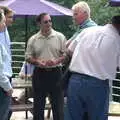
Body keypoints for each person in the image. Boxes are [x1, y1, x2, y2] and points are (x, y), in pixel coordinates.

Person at [64, 15, 120, 120]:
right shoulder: (117, 40)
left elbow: (70, 50)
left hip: (75, 81)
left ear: (110, 22)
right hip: (97, 84)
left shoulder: (88, 31)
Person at [25, 13, 66, 120]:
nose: (49, 23)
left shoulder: (60, 37)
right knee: (38, 107)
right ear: (39, 23)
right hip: (39, 74)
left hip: (56, 73)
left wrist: (57, 61)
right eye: (46, 22)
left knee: (58, 107)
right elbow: (28, 57)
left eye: (50, 21)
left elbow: (66, 55)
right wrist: (38, 62)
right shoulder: (33, 39)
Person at [62, 1, 97, 91]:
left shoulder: (90, 29)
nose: (73, 17)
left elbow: (68, 46)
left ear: (85, 14)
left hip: (84, 74)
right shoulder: (82, 27)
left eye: (76, 14)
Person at [0, 6, 14, 120]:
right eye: (7, 18)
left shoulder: (6, 31)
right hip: (2, 78)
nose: (11, 20)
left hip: (6, 75)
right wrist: (7, 86)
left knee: (7, 111)